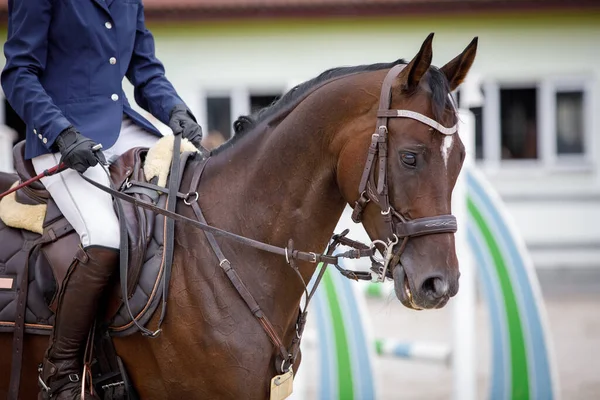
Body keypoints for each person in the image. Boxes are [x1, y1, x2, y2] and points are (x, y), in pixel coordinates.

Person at [1, 0, 203, 398]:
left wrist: (175, 108)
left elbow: (145, 71)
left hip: (123, 125)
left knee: (197, 186)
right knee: (105, 235)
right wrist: (61, 133)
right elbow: (18, 73)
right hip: (63, 134)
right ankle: (58, 372)